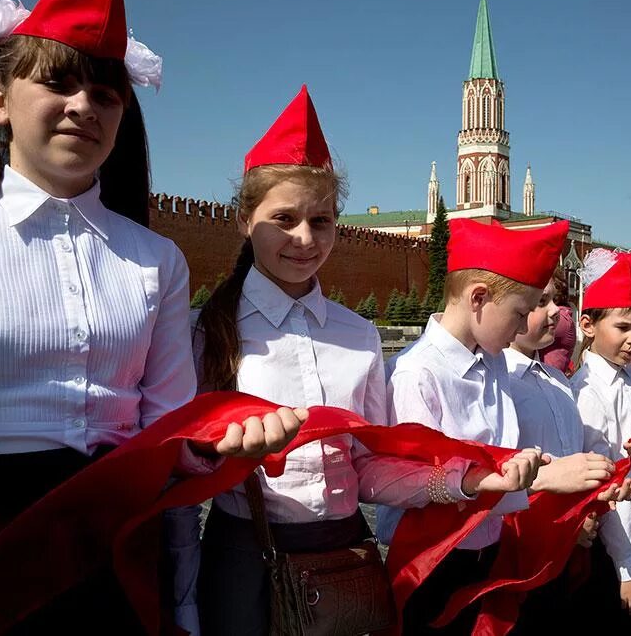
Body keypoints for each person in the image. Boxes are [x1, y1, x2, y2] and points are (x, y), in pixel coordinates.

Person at [0, 0, 302, 632]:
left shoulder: (158, 260)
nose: (83, 106)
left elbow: (169, 431)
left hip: (114, 551)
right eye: (59, 83)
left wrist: (216, 446)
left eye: (104, 93)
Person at [188, 87, 535, 635]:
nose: (304, 238)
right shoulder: (208, 330)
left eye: (321, 221)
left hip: (344, 555)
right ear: (243, 220)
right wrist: (217, 454)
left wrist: (465, 483)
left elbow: (370, 468)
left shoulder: (358, 335)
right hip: (245, 557)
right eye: (284, 218)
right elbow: (177, 466)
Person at [380, 218, 604, 635]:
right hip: (433, 562)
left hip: (488, 551)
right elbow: (421, 487)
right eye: (520, 313)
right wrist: (540, 479)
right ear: (478, 298)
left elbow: (503, 452)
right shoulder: (417, 375)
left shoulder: (493, 362)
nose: (522, 327)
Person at [503, 275, 631, 631]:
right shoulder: (501, 382)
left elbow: (576, 460)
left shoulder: (559, 381)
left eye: (556, 301)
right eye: (541, 302)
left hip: (569, 548)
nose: (556, 312)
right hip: (523, 554)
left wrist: (592, 504)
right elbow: (502, 478)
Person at [570, 256, 631, 625]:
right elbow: (605, 486)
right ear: (588, 325)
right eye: (622, 327)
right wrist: (627, 566)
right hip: (615, 534)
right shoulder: (588, 392)